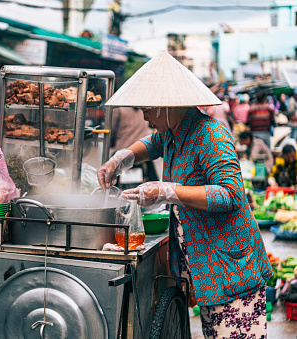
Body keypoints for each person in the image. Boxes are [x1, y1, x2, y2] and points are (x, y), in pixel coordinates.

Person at [98, 50, 272, 339]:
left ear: (169, 105)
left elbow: (230, 195)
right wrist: (121, 158)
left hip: (231, 270)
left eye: (148, 109)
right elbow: (150, 143)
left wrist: (169, 191)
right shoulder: (173, 131)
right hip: (207, 270)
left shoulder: (211, 136)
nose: (145, 116)